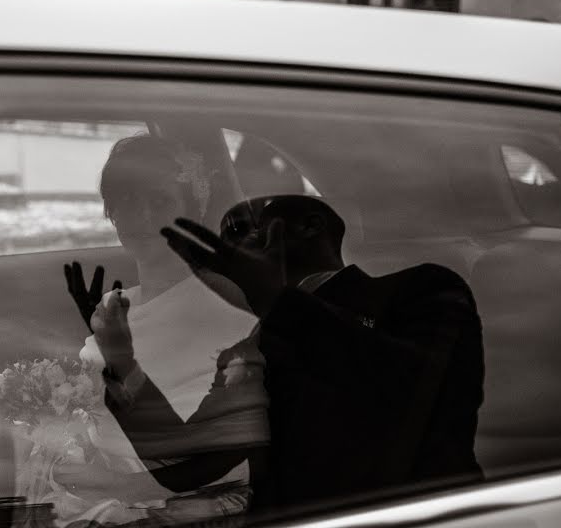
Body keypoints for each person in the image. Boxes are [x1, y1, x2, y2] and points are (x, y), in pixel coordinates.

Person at [94, 195, 484, 511]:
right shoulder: (245, 348)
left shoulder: (422, 288)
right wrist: (122, 361)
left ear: (310, 227)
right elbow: (191, 458)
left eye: (242, 230)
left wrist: (279, 302)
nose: (229, 250)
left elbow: (418, 390)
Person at [46, 136, 269, 525]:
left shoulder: (215, 299)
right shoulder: (112, 304)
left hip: (185, 501)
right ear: (111, 212)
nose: (143, 217)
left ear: (191, 212)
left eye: (161, 201)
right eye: (128, 201)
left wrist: (120, 485)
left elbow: (231, 450)